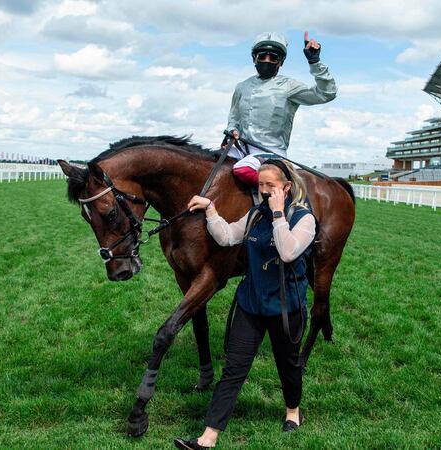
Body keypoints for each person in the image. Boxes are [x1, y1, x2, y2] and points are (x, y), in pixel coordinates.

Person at [174, 159, 316, 450]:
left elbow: (288, 251)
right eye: (260, 185)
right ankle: (208, 437)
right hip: (251, 305)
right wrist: (211, 209)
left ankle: (293, 411)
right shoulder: (254, 216)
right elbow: (226, 237)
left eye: (270, 186)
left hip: (286, 308)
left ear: (286, 187)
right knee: (233, 369)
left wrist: (278, 215)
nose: (263, 191)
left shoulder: (304, 219)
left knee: (287, 366)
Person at [227, 31, 337, 186]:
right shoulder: (241, 87)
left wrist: (315, 62)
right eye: (262, 56)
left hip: (271, 152)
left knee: (243, 169)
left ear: (281, 62)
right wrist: (232, 130)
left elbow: (327, 94)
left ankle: (280, 198)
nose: (267, 60)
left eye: (273, 58)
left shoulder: (289, 86)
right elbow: (234, 118)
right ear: (254, 58)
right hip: (240, 148)